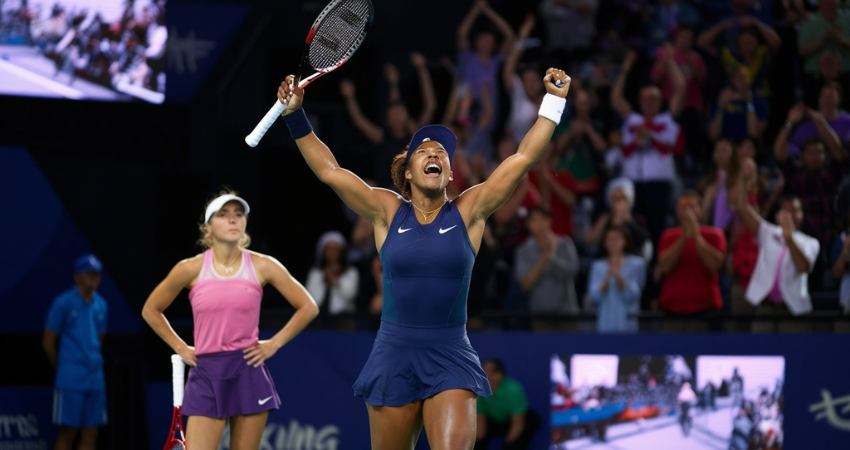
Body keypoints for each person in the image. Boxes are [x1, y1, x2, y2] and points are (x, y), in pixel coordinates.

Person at [275, 66, 571, 449]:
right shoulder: (386, 211)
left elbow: (523, 157)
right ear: (409, 173)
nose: (434, 153)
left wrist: (553, 102)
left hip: (450, 354)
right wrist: (294, 114)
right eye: (424, 151)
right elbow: (330, 171)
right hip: (392, 355)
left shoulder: (470, 211)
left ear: (448, 175)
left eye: (442, 153)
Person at [141, 191, 319, 450]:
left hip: (247, 369)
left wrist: (274, 344)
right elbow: (151, 309)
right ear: (208, 226)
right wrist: (180, 347)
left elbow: (308, 307)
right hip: (206, 371)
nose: (233, 220)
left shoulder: (263, 265)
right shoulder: (189, 268)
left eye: (238, 215)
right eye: (223, 215)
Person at [731, 189, 821, 333]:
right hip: (766, 307)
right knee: (761, 352)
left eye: (795, 211)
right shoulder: (767, 232)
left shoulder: (810, 242)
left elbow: (803, 267)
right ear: (778, 215)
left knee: (794, 352)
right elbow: (742, 208)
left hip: (793, 309)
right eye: (786, 211)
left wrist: (789, 237)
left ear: (802, 215)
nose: (790, 215)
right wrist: (742, 176)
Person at [43, 254, 108, 450]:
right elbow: (48, 342)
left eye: (97, 274)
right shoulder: (63, 303)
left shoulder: (102, 305)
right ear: (77, 276)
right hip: (71, 378)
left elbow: (99, 339)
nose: (94, 278)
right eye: (89, 274)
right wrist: (64, 367)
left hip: (95, 379)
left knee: (91, 432)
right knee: (68, 432)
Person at [657, 191, 727, 332]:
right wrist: (684, 237)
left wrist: (696, 236)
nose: (686, 212)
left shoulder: (715, 235)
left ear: (700, 211)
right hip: (673, 312)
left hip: (705, 312)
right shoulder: (668, 236)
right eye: (682, 207)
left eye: (691, 207)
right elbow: (664, 267)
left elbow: (715, 266)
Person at [514, 206, 580, 331]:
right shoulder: (523, 250)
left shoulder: (565, 244)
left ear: (549, 221)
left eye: (542, 219)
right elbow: (526, 284)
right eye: (534, 220)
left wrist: (552, 257)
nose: (539, 225)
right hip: (539, 317)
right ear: (528, 224)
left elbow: (573, 272)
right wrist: (544, 260)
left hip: (567, 316)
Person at [588, 224, 646, 333]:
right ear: (605, 242)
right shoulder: (598, 266)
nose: (613, 243)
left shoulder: (637, 265)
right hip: (605, 326)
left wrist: (619, 276)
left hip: (628, 326)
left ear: (625, 241)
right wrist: (608, 277)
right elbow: (594, 297)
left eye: (617, 239)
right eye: (609, 239)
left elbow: (634, 296)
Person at [474, 359, 539, 450]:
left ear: (499, 375)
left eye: (489, 372)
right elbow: (480, 422)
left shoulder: (513, 389)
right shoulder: (478, 390)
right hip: (493, 421)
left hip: (513, 421)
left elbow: (518, 422)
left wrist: (507, 444)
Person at [305, 230, 359, 329]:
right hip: (319, 319)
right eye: (329, 249)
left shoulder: (351, 272)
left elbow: (350, 294)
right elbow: (310, 298)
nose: (332, 252)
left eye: (335, 249)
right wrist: (324, 279)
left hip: (344, 319)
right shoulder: (315, 273)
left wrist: (335, 280)